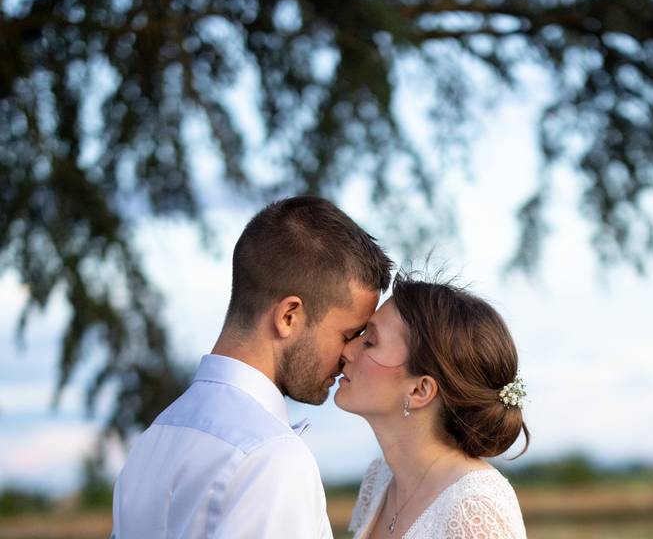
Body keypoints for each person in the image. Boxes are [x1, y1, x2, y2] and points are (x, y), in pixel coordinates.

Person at [111, 196, 393, 538]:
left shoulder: (155, 437)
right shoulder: (273, 459)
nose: (350, 353)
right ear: (289, 317)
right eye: (348, 333)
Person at [337, 274, 529, 538]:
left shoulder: (473, 511)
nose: (347, 350)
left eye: (369, 341)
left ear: (420, 390)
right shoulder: (379, 480)